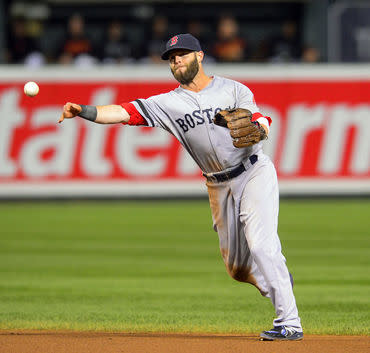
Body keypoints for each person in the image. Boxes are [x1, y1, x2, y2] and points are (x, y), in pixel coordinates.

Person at [58, 33, 303, 341]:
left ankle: (289, 323)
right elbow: (124, 112)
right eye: (171, 57)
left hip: (253, 173)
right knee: (238, 269)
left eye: (183, 54)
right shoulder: (168, 103)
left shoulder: (233, 89)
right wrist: (83, 110)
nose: (176, 60)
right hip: (217, 185)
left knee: (262, 245)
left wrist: (258, 129)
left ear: (199, 56)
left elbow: (260, 120)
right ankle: (279, 282)